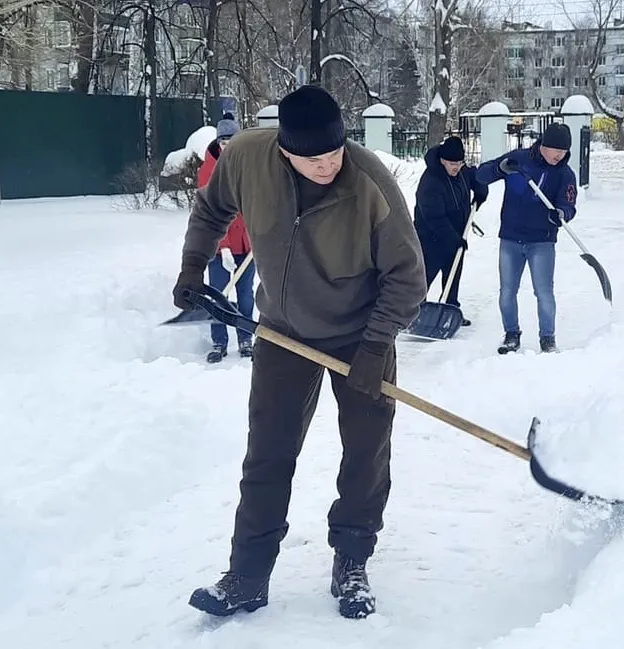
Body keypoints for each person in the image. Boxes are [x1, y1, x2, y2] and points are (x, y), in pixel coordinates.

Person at [171, 85, 427, 619]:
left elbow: (407, 277)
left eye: (335, 152)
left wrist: (375, 346)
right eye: (314, 159)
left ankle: (352, 560)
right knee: (267, 453)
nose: (328, 165)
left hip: (361, 334)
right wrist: (193, 266)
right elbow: (211, 210)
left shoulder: (370, 182)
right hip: (284, 333)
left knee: (365, 452)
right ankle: (247, 574)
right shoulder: (247, 157)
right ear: (285, 150)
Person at [475, 122, 578, 354]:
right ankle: (511, 334)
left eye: (564, 151)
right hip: (510, 239)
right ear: (544, 145)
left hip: (542, 241)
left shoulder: (564, 173)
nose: (560, 156)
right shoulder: (518, 160)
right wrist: (499, 169)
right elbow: (482, 175)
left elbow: (569, 204)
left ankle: (547, 338)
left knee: (544, 292)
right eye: (556, 150)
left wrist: (560, 214)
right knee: (507, 291)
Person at [197, 116, 256, 363]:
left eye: (232, 142)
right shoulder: (208, 171)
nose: (227, 147)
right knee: (218, 295)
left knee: (245, 296)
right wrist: (224, 247)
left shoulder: (250, 167)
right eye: (223, 142)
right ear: (217, 143)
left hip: (247, 246)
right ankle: (219, 342)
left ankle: (245, 339)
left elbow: (258, 205)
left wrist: (257, 237)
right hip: (218, 246)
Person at [412, 136, 487, 325]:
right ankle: (414, 314)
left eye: (460, 163)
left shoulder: (462, 171)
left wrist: (480, 190)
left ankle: (450, 310)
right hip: (430, 238)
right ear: (442, 160)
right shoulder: (430, 182)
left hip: (456, 233)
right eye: (453, 164)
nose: (456, 167)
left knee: (453, 275)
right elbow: (433, 217)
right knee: (424, 278)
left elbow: (475, 176)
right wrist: (453, 239)